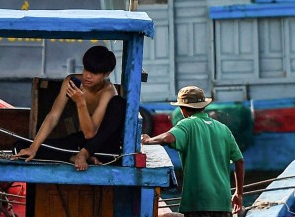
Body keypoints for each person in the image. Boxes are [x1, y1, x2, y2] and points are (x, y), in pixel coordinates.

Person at [15, 45, 125, 170]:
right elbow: (53, 116)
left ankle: (81, 155)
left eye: (94, 73)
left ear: (106, 74)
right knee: (21, 146)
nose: (88, 76)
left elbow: (90, 134)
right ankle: (71, 157)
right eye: (86, 69)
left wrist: (80, 103)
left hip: (101, 146)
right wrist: (33, 147)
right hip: (81, 141)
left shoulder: (108, 91)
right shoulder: (72, 82)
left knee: (118, 103)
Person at [142, 85, 244, 216]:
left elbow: (168, 138)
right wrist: (238, 193)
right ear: (203, 106)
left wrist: (148, 140)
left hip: (197, 202)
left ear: (183, 109)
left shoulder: (187, 124)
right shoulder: (223, 129)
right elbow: (239, 161)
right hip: (223, 203)